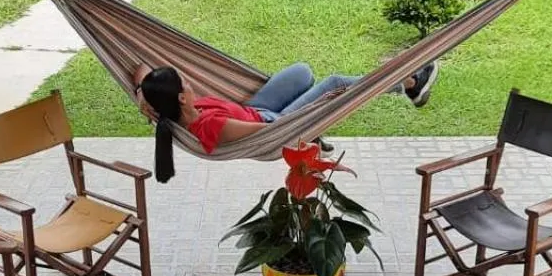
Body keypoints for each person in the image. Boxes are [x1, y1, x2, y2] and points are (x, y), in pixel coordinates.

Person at [136, 59, 439, 183]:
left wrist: (140, 93)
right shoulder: (209, 127)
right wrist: (307, 124)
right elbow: (272, 132)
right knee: (334, 84)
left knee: (303, 72)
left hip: (253, 108)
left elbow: (140, 67)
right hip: (276, 124)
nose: (189, 82)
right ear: (180, 98)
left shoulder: (166, 110)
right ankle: (411, 84)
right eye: (184, 83)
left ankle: (316, 134)